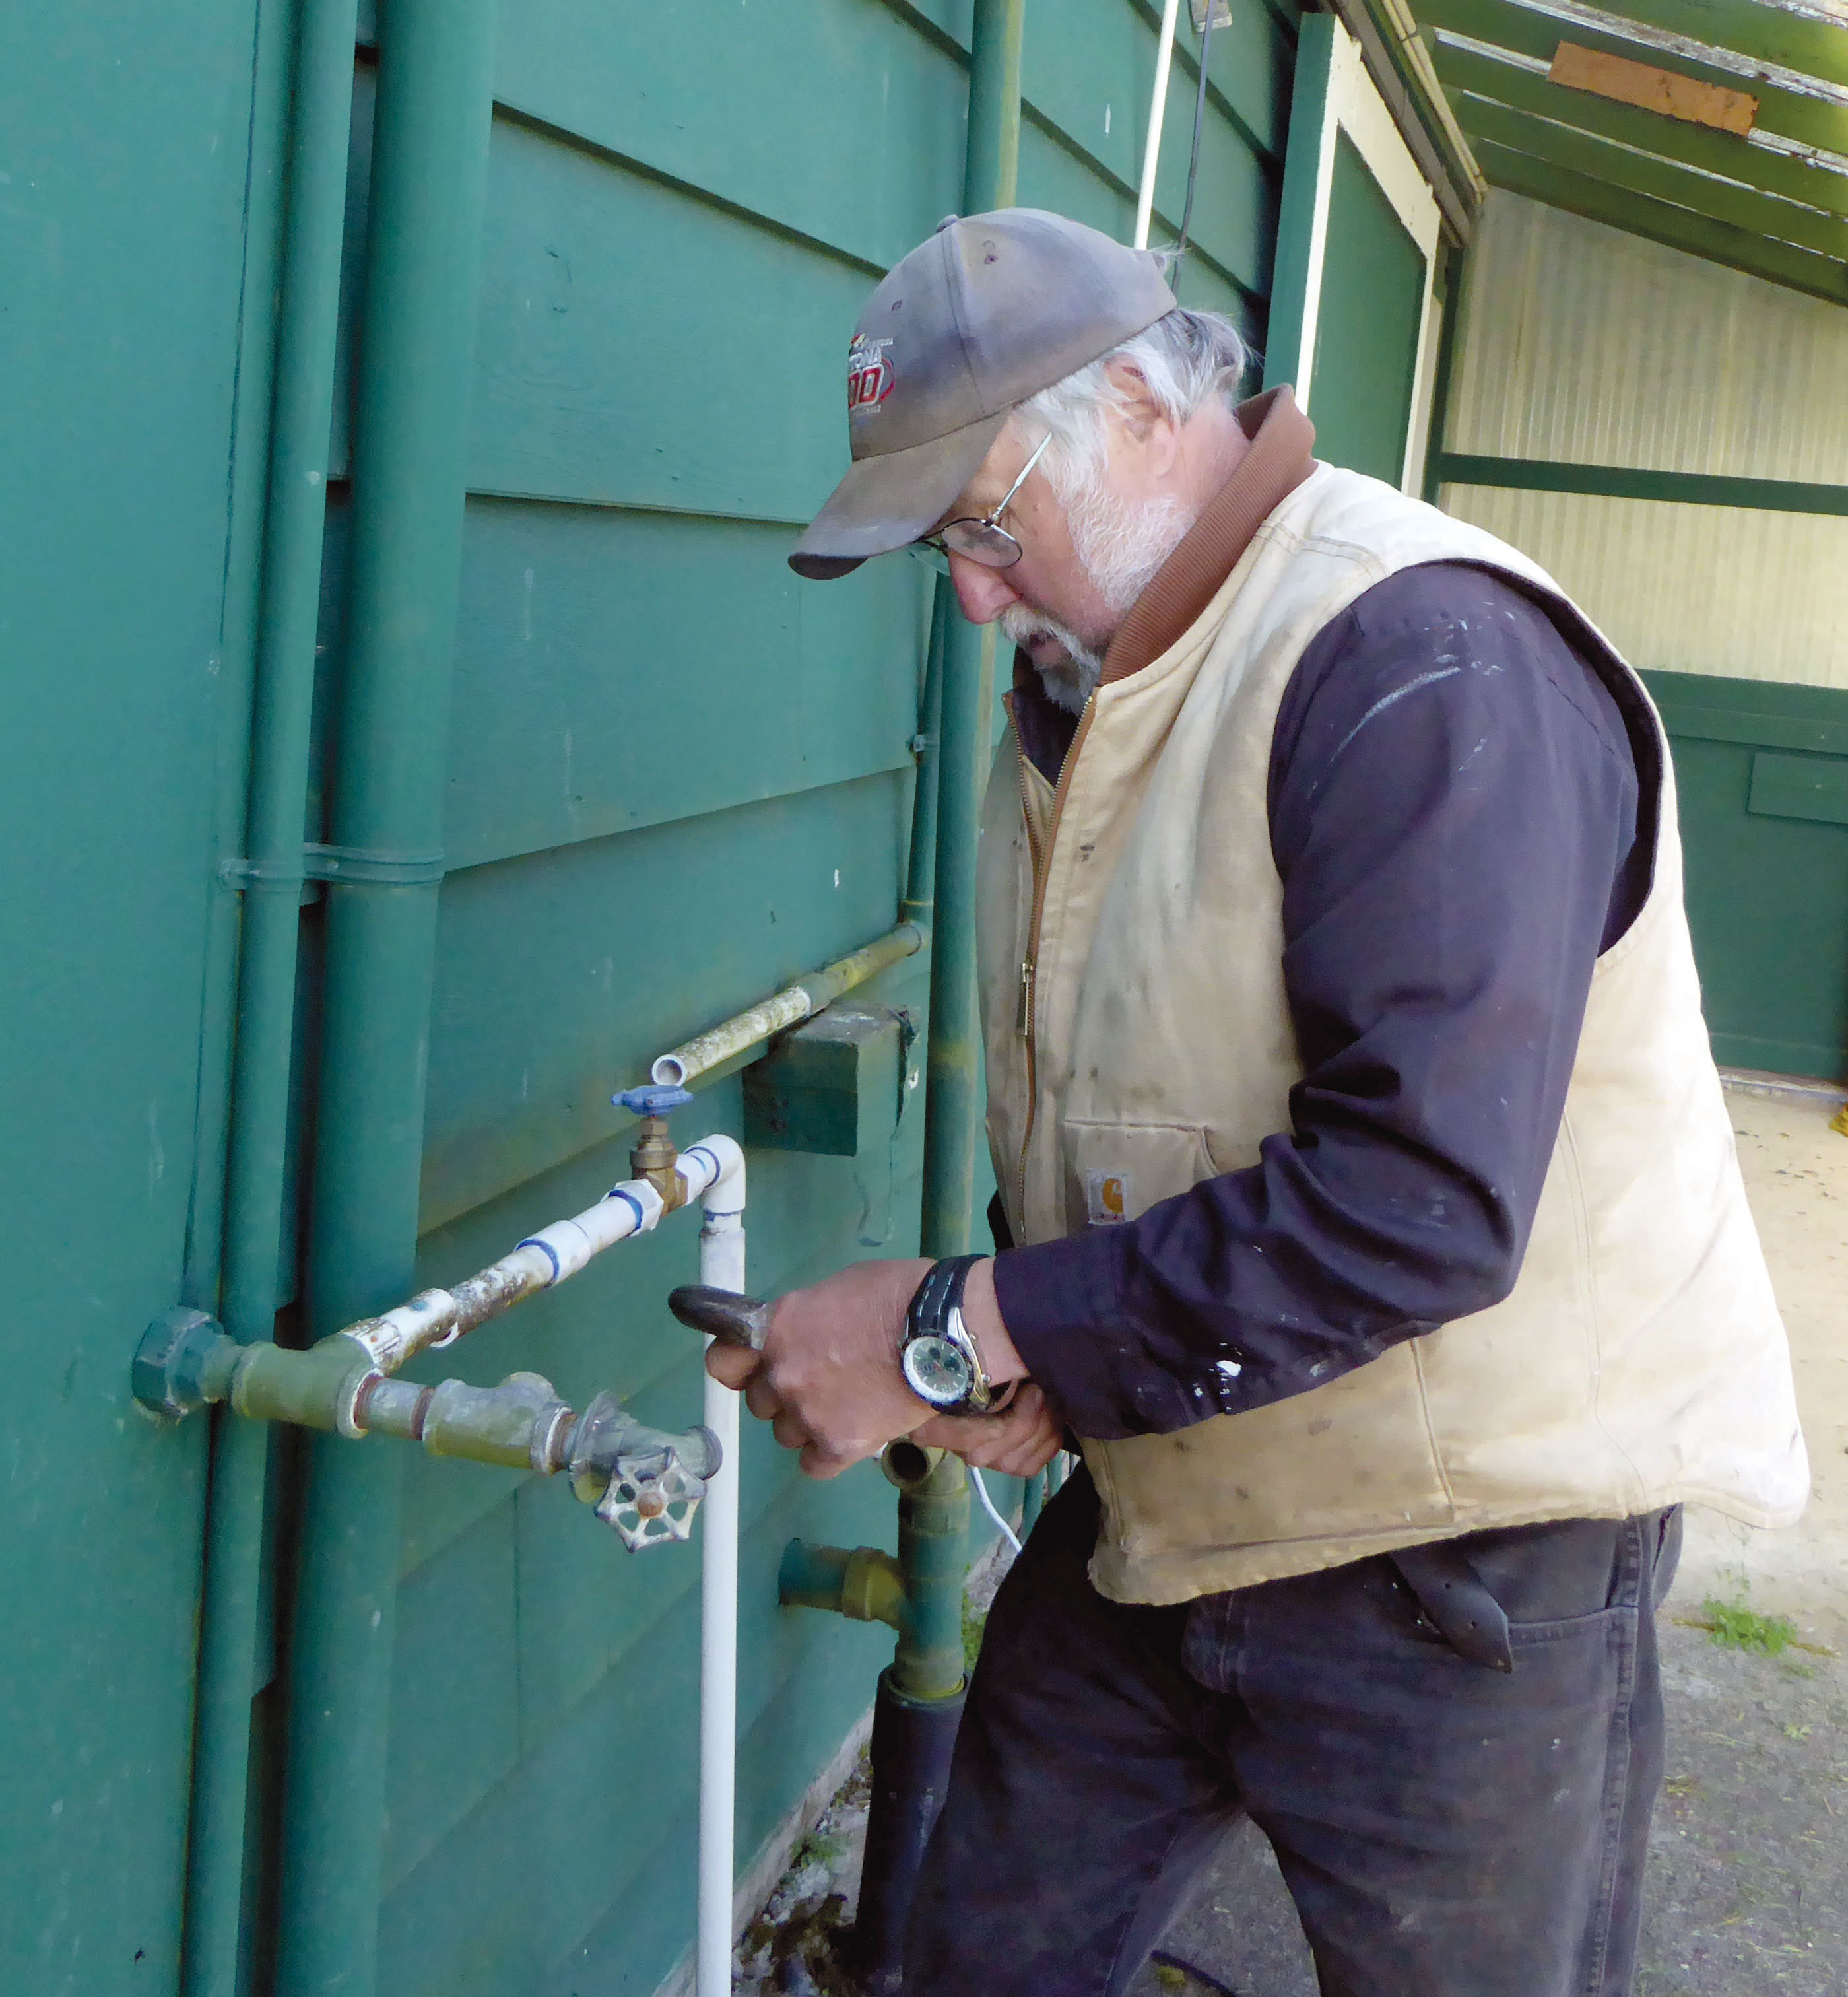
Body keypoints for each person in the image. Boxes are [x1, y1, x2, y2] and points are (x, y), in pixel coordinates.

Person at [706, 209, 1809, 1996]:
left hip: (1463, 1557)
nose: (974, 592)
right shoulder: (1085, 686)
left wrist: (942, 1328)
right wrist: (1037, 1357)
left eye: (987, 522)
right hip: (1174, 1493)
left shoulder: (1419, 656)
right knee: (979, 1952)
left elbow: (1419, 1200)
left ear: (1140, 408)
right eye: (945, 553)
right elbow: (1140, 1080)